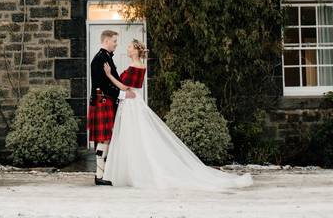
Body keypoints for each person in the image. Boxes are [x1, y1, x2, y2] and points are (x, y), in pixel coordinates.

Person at [102, 39, 253, 190]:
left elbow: (124, 86)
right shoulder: (138, 65)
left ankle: (137, 172)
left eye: (129, 47)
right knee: (135, 137)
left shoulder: (135, 66)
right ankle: (132, 171)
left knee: (134, 137)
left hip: (131, 105)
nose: (127, 49)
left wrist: (109, 75)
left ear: (135, 51)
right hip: (131, 103)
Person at [88, 29, 134, 186]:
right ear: (106, 41)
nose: (116, 44)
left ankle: (102, 174)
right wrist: (122, 95)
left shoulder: (105, 57)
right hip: (102, 101)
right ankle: (99, 175)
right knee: (104, 139)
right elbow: (102, 85)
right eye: (114, 41)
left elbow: (111, 79)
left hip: (106, 101)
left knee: (106, 139)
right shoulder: (100, 59)